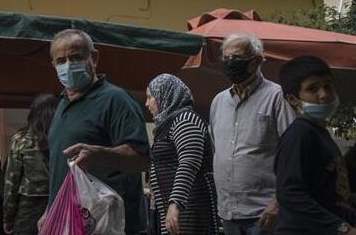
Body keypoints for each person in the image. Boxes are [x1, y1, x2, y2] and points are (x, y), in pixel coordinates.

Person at [46, 29, 151, 235]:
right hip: (73, 222)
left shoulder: (115, 100)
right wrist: (49, 211)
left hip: (111, 224)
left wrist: (97, 154)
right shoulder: (62, 105)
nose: (68, 65)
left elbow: (142, 158)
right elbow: (58, 168)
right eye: (61, 61)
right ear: (54, 65)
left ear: (93, 58)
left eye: (76, 57)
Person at [209, 33, 295, 235]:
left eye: (237, 58)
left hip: (265, 212)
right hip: (229, 212)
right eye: (227, 58)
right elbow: (218, 151)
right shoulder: (218, 102)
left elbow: (292, 154)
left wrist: (277, 203)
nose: (230, 63)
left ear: (256, 60)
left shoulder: (276, 97)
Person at [274, 56, 356, 235]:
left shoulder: (320, 134)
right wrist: (341, 229)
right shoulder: (299, 135)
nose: (324, 94)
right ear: (293, 99)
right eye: (313, 89)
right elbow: (290, 194)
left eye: (328, 85)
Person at [145, 74, 219, 235]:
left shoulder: (185, 119)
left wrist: (175, 204)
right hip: (175, 210)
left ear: (164, 95)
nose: (146, 103)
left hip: (190, 210)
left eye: (150, 97)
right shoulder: (168, 123)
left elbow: (189, 162)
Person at [3, 93, 58, 235]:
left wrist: (8, 217)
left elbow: (11, 182)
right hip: (58, 201)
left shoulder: (21, 139)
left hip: (28, 206)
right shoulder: (62, 137)